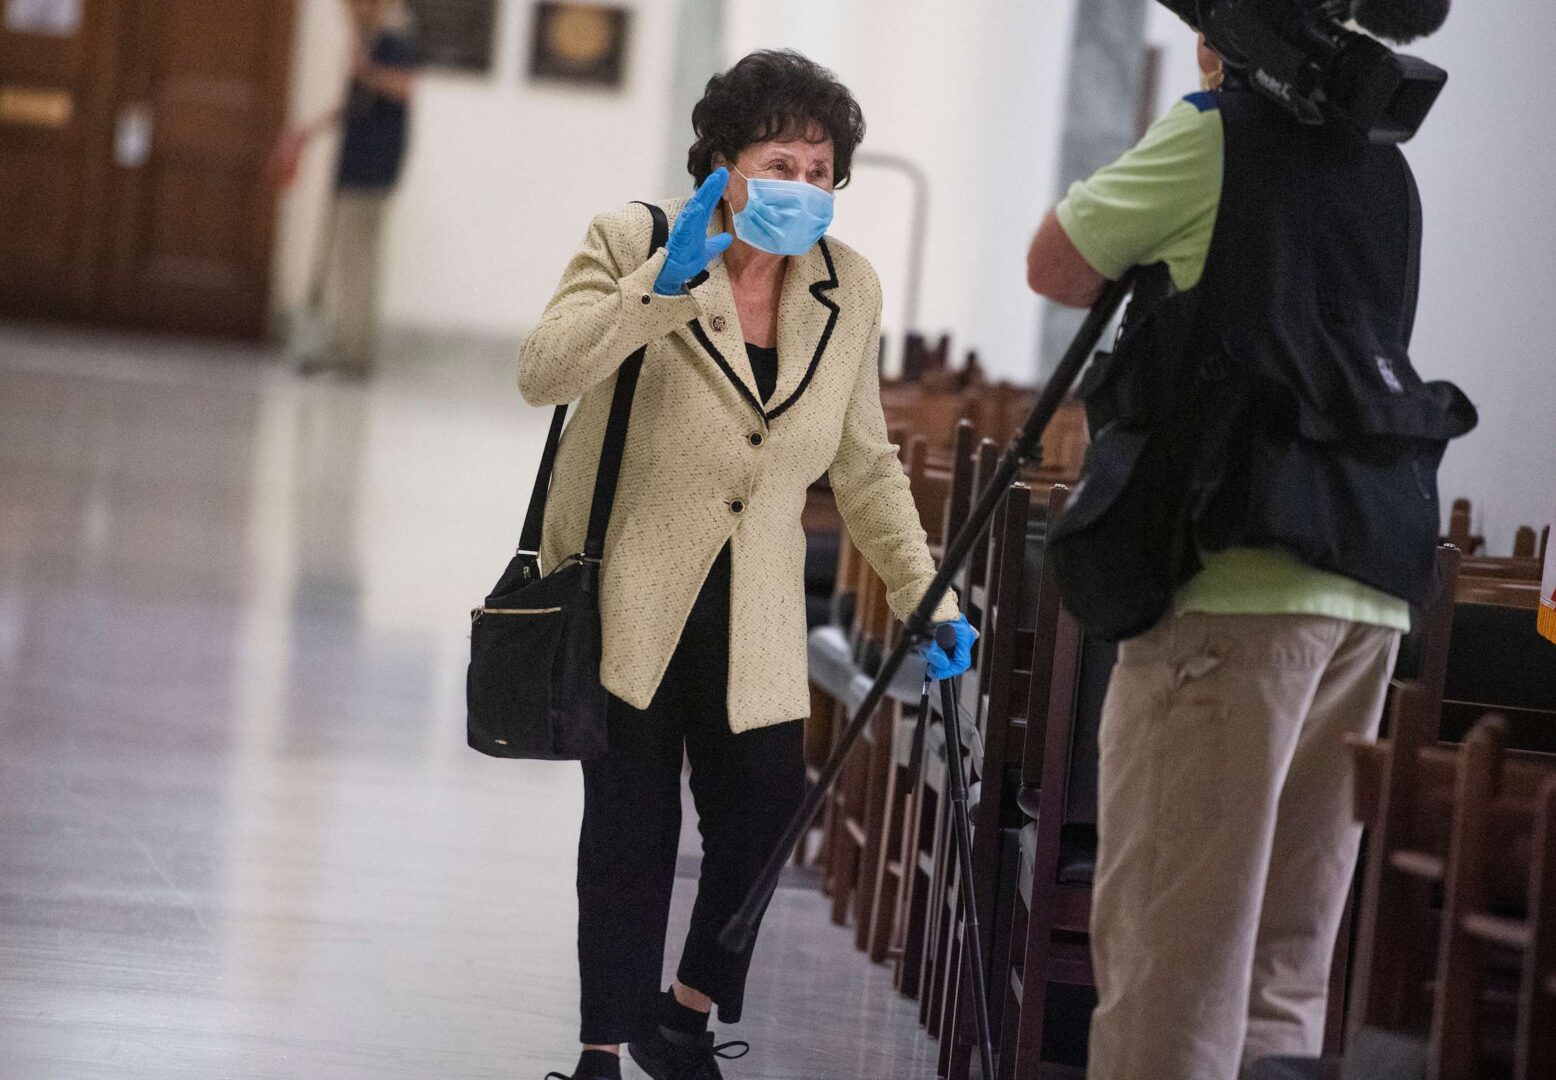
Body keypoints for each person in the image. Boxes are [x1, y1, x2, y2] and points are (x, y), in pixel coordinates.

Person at [519, 50, 978, 1080]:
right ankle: (599, 1052)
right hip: (633, 592)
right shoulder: (632, 239)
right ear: (723, 162)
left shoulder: (844, 286)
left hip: (755, 602)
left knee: (765, 818)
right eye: (782, 163)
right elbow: (544, 371)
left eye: (822, 172)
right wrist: (665, 283)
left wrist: (923, 591)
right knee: (630, 834)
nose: (802, 189)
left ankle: (681, 1016)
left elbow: (863, 461)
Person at [1028, 28, 1471, 1080]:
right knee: (1282, 961)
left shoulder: (1214, 136)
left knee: (1172, 957)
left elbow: (1057, 264)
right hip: (1365, 583)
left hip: (1237, 584)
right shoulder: (1387, 167)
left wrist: (1201, 108)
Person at [275, 0, 419, 378]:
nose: (349, 14)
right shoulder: (367, 44)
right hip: (352, 165)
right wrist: (310, 131)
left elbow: (402, 88)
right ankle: (341, 341)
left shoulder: (391, 42)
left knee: (359, 259)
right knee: (343, 258)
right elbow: (352, 104)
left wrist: (366, 69)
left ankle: (356, 350)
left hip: (373, 168)